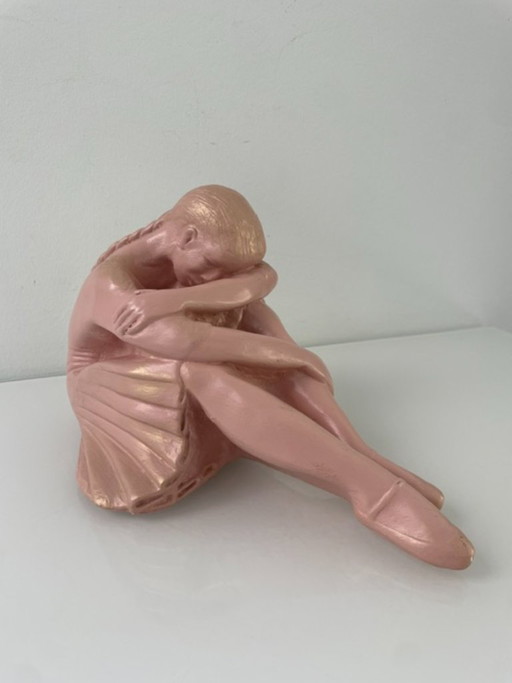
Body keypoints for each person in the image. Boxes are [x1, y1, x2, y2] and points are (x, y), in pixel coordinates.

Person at [67, 185, 474, 569]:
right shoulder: (111, 284)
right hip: (115, 388)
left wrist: (177, 298)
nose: (213, 279)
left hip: (186, 351)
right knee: (205, 371)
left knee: (255, 315)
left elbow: (261, 277)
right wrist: (293, 356)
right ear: (187, 238)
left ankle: (359, 451)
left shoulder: (185, 263)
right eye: (210, 267)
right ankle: (370, 489)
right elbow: (187, 342)